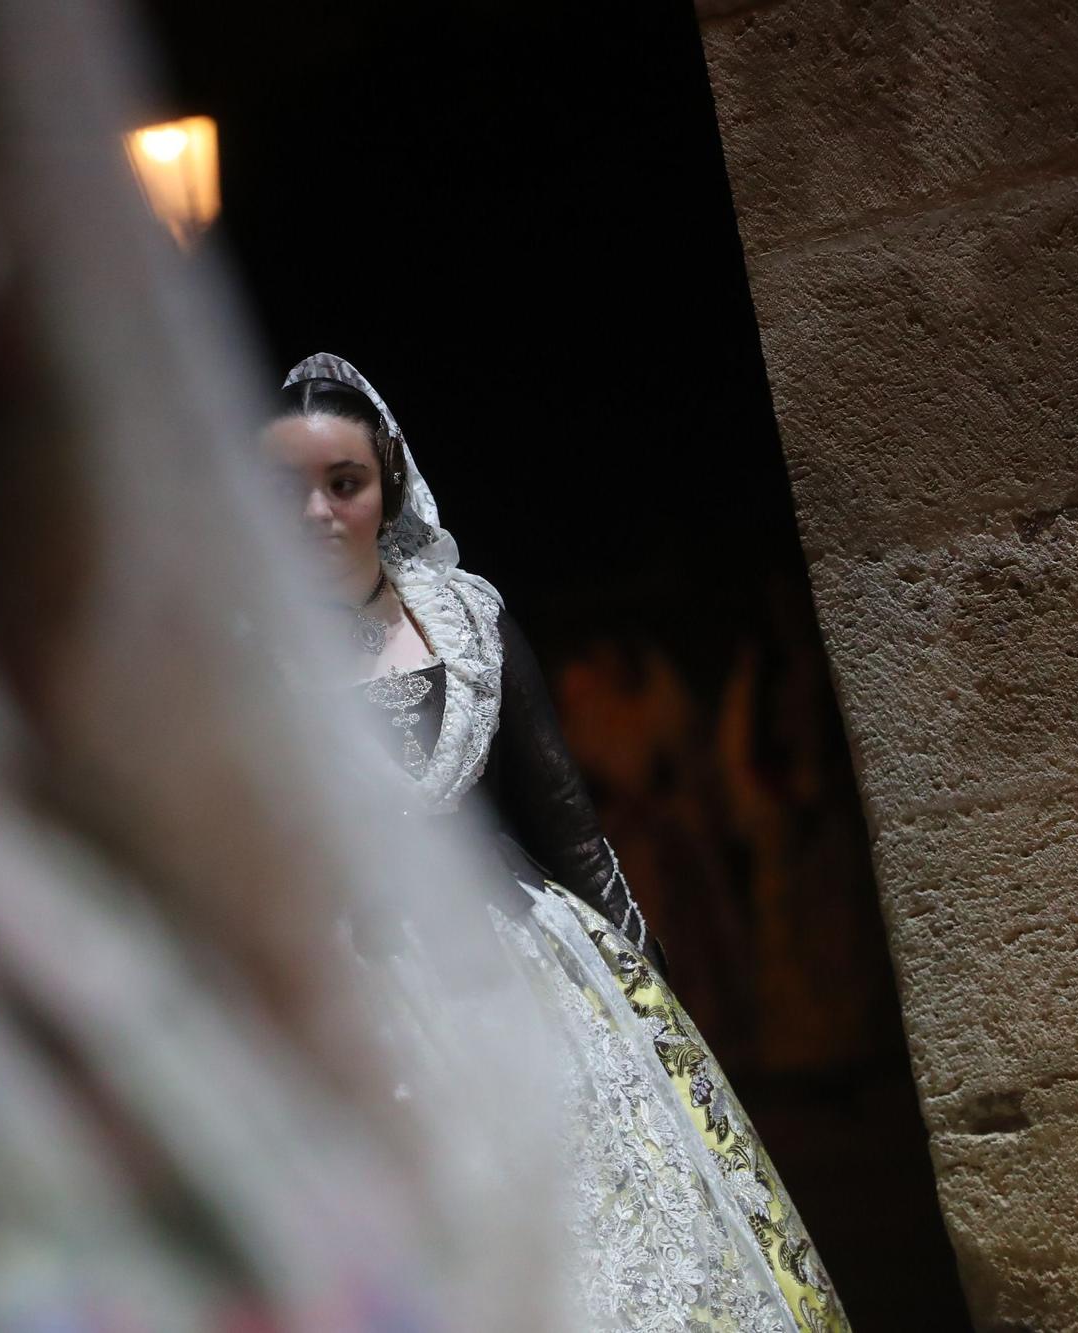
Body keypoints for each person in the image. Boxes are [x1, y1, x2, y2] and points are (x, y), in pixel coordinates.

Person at [266, 352, 854, 1333]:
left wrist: (646, 990)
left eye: (343, 483)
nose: (318, 512)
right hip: (377, 994)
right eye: (290, 490)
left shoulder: (472, 622)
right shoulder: (260, 660)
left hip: (529, 970)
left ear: (388, 485)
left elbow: (570, 827)